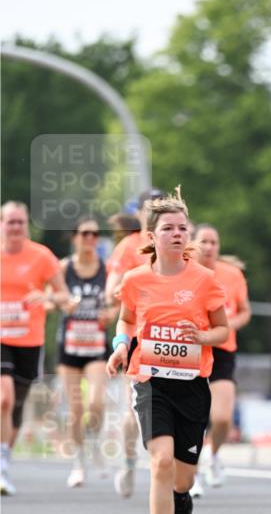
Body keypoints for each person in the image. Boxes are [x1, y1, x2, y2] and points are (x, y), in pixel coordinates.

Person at [106, 188, 229, 514]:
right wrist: (121, 346)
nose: (177, 234)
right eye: (168, 228)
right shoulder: (136, 280)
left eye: (182, 228)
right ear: (151, 236)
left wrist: (202, 335)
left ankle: (181, 494)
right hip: (150, 380)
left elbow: (223, 329)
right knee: (160, 461)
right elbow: (125, 321)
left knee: (183, 477)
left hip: (192, 385)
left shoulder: (205, 280)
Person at [1, 201, 70, 495]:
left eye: (20, 222)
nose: (15, 227)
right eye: (10, 222)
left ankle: (4, 458)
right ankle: (1, 468)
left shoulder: (41, 257)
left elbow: (64, 297)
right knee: (4, 398)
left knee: (16, 405)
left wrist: (46, 298)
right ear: (1, 224)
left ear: (27, 224)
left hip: (30, 340)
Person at [105, 188, 165, 497]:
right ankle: (129, 462)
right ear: (139, 213)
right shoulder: (128, 247)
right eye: (149, 208)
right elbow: (110, 290)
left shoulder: (174, 240)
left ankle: (175, 467)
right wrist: (134, 289)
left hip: (170, 334)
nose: (154, 213)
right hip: (138, 333)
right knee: (134, 410)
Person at [191, 224, 251, 496]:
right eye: (203, 241)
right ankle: (192, 478)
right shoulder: (185, 273)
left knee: (222, 418)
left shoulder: (232, 274)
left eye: (214, 242)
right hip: (191, 351)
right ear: (193, 244)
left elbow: (244, 311)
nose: (209, 247)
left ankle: (213, 456)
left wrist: (230, 324)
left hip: (223, 350)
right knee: (194, 420)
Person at [56, 217, 115, 488]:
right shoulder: (63, 267)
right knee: (76, 408)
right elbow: (49, 297)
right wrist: (63, 304)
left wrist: (109, 314)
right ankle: (79, 462)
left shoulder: (107, 269)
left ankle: (94, 443)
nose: (91, 239)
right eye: (85, 234)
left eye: (95, 234)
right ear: (74, 237)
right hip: (69, 346)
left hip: (96, 346)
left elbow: (119, 304)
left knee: (96, 404)